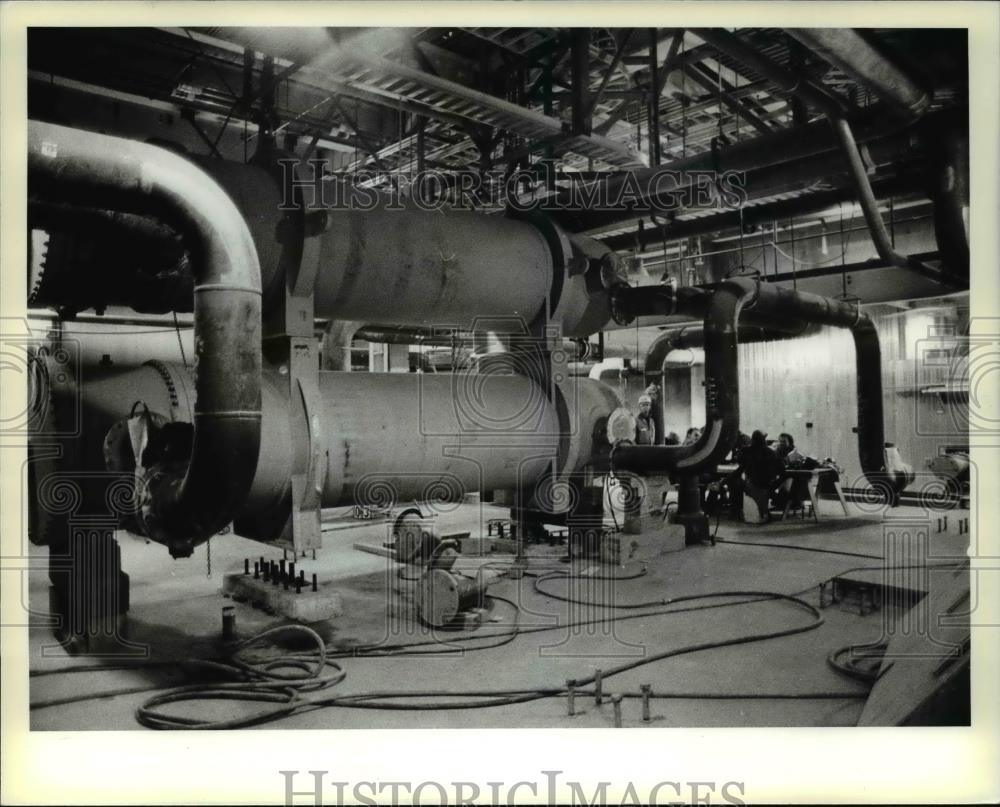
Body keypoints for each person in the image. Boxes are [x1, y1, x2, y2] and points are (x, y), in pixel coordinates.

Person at [738, 430, 785, 523]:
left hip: (751, 484)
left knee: (735, 483)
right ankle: (773, 500)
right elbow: (782, 470)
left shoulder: (746, 451)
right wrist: (774, 484)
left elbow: (740, 466)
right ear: (764, 440)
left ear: (752, 440)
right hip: (766, 484)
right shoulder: (771, 452)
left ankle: (735, 511)